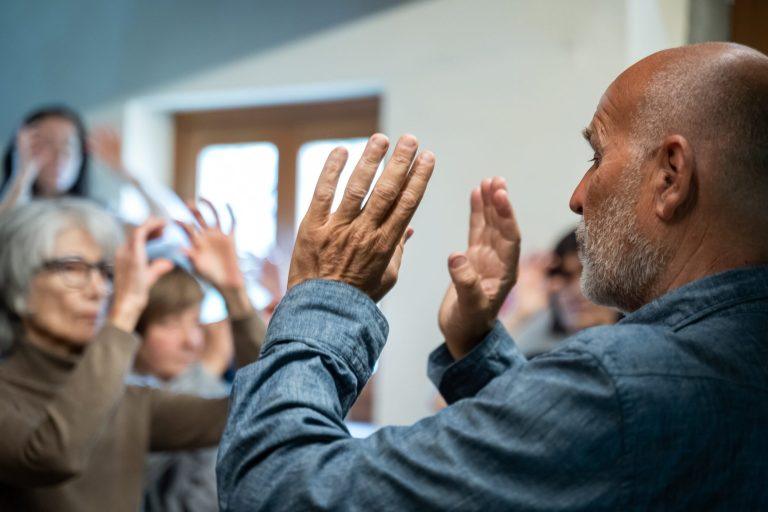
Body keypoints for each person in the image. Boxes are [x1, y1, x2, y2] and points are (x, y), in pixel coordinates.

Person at [216, 41, 768, 510]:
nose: (576, 198)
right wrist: (477, 343)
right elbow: (590, 453)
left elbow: (278, 490)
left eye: (596, 157)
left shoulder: (624, 383)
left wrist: (327, 295)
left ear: (670, 176)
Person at [0, 198, 262, 511]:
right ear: (18, 281)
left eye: (104, 272)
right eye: (72, 268)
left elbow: (256, 411)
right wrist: (125, 310)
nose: (99, 290)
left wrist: (235, 294)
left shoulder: (129, 399)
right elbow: (52, 457)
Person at [132, 205, 265, 512]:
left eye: (194, 321)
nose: (191, 340)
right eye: (169, 323)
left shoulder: (206, 385)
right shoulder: (113, 389)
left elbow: (265, 397)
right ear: (134, 326)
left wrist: (233, 292)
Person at [0, 106, 165, 216]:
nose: (59, 156)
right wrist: (21, 177)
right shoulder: (11, 207)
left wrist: (126, 172)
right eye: (46, 144)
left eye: (68, 146)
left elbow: (167, 229)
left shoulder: (96, 214)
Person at [504, 229, 619, 357]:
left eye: (591, 275)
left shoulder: (641, 346)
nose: (577, 290)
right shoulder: (538, 355)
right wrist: (521, 315)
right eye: (566, 276)